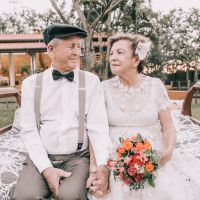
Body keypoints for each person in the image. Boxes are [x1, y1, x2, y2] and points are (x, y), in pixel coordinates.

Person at [88, 33, 200, 200]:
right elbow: (96, 131)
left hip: (154, 155)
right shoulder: (102, 88)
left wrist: (167, 152)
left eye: (120, 52)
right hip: (114, 159)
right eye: (111, 53)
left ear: (136, 59)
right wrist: (96, 167)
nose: (113, 57)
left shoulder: (155, 85)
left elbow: (168, 127)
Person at [12, 23, 112, 200]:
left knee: (70, 196)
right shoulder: (31, 84)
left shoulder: (91, 82)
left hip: (78, 158)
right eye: (71, 46)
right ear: (51, 49)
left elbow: (98, 127)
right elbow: (29, 130)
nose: (77, 52)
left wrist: (103, 165)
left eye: (79, 47)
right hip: (42, 155)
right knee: (25, 196)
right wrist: (46, 168)